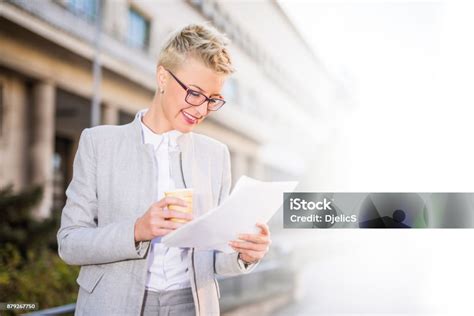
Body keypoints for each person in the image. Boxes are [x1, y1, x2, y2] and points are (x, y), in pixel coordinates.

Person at [57, 23, 271, 316]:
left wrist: (245, 253)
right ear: (162, 77)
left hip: (192, 305)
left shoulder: (215, 155)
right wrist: (137, 230)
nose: (201, 109)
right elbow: (70, 244)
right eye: (194, 93)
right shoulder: (99, 143)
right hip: (114, 305)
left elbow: (213, 258)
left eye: (213, 100)